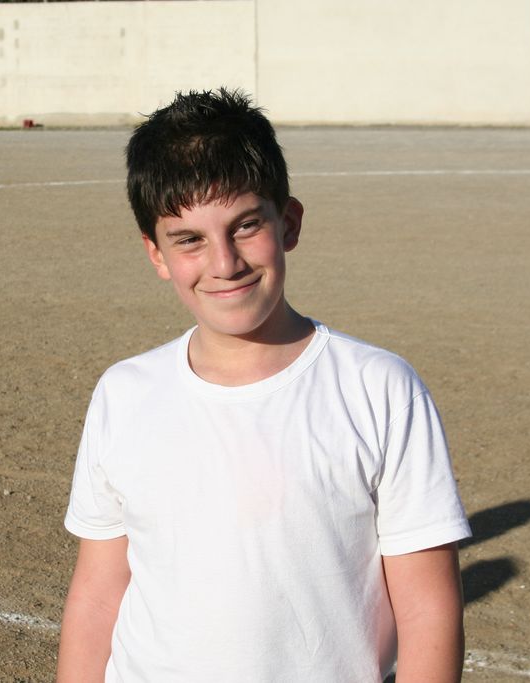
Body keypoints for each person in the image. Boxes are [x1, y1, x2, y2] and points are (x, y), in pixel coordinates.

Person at [57, 89, 471, 683]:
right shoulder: (124, 394)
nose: (224, 263)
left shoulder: (379, 390)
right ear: (156, 254)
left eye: (245, 226)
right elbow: (98, 597)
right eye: (189, 239)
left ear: (289, 223)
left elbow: (429, 607)